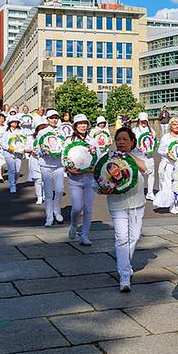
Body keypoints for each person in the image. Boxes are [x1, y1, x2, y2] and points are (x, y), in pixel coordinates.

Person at [100, 126, 148, 292]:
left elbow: (146, 169)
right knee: (121, 238)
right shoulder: (108, 158)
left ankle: (125, 266)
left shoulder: (139, 155)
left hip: (137, 204)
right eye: (118, 139)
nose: (121, 142)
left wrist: (129, 157)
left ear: (132, 141)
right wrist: (102, 188)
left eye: (124, 139)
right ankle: (124, 275)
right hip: (117, 204)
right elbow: (98, 181)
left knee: (134, 237)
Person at [65, 114, 97, 247]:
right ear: (75, 126)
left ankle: (84, 234)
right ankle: (73, 225)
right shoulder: (69, 141)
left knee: (88, 208)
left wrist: (94, 168)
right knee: (77, 208)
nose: (83, 126)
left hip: (90, 179)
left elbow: (98, 157)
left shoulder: (92, 140)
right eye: (80, 123)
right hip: (75, 179)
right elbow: (65, 157)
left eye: (85, 123)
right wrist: (70, 169)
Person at [37, 110, 66, 226]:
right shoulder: (42, 132)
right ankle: (49, 217)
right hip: (46, 164)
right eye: (51, 118)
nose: (54, 120)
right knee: (48, 193)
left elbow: (65, 145)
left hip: (58, 164)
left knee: (59, 190)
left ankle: (57, 211)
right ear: (47, 119)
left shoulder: (62, 132)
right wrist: (44, 151)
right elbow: (38, 147)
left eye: (56, 118)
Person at [154, 116, 178, 214]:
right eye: (174, 124)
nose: (176, 126)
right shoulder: (166, 137)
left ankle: (177, 202)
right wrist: (168, 154)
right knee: (168, 184)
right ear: (170, 126)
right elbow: (160, 150)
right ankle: (171, 204)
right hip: (168, 164)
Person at [0, 117, 28, 194]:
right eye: (13, 121)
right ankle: (12, 185)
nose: (14, 123)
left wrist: (22, 148)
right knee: (12, 169)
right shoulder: (6, 132)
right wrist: (8, 148)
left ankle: (14, 181)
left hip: (18, 153)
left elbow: (25, 141)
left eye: (16, 122)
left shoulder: (22, 132)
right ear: (9, 123)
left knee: (17, 171)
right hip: (8, 152)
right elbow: (2, 142)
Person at [134, 112, 156, 200]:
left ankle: (150, 193)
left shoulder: (151, 130)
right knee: (139, 175)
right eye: (142, 121)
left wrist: (153, 141)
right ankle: (139, 193)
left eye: (145, 121)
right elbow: (132, 141)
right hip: (138, 155)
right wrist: (136, 145)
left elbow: (154, 142)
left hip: (149, 155)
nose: (143, 123)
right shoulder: (134, 130)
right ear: (139, 120)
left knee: (152, 173)